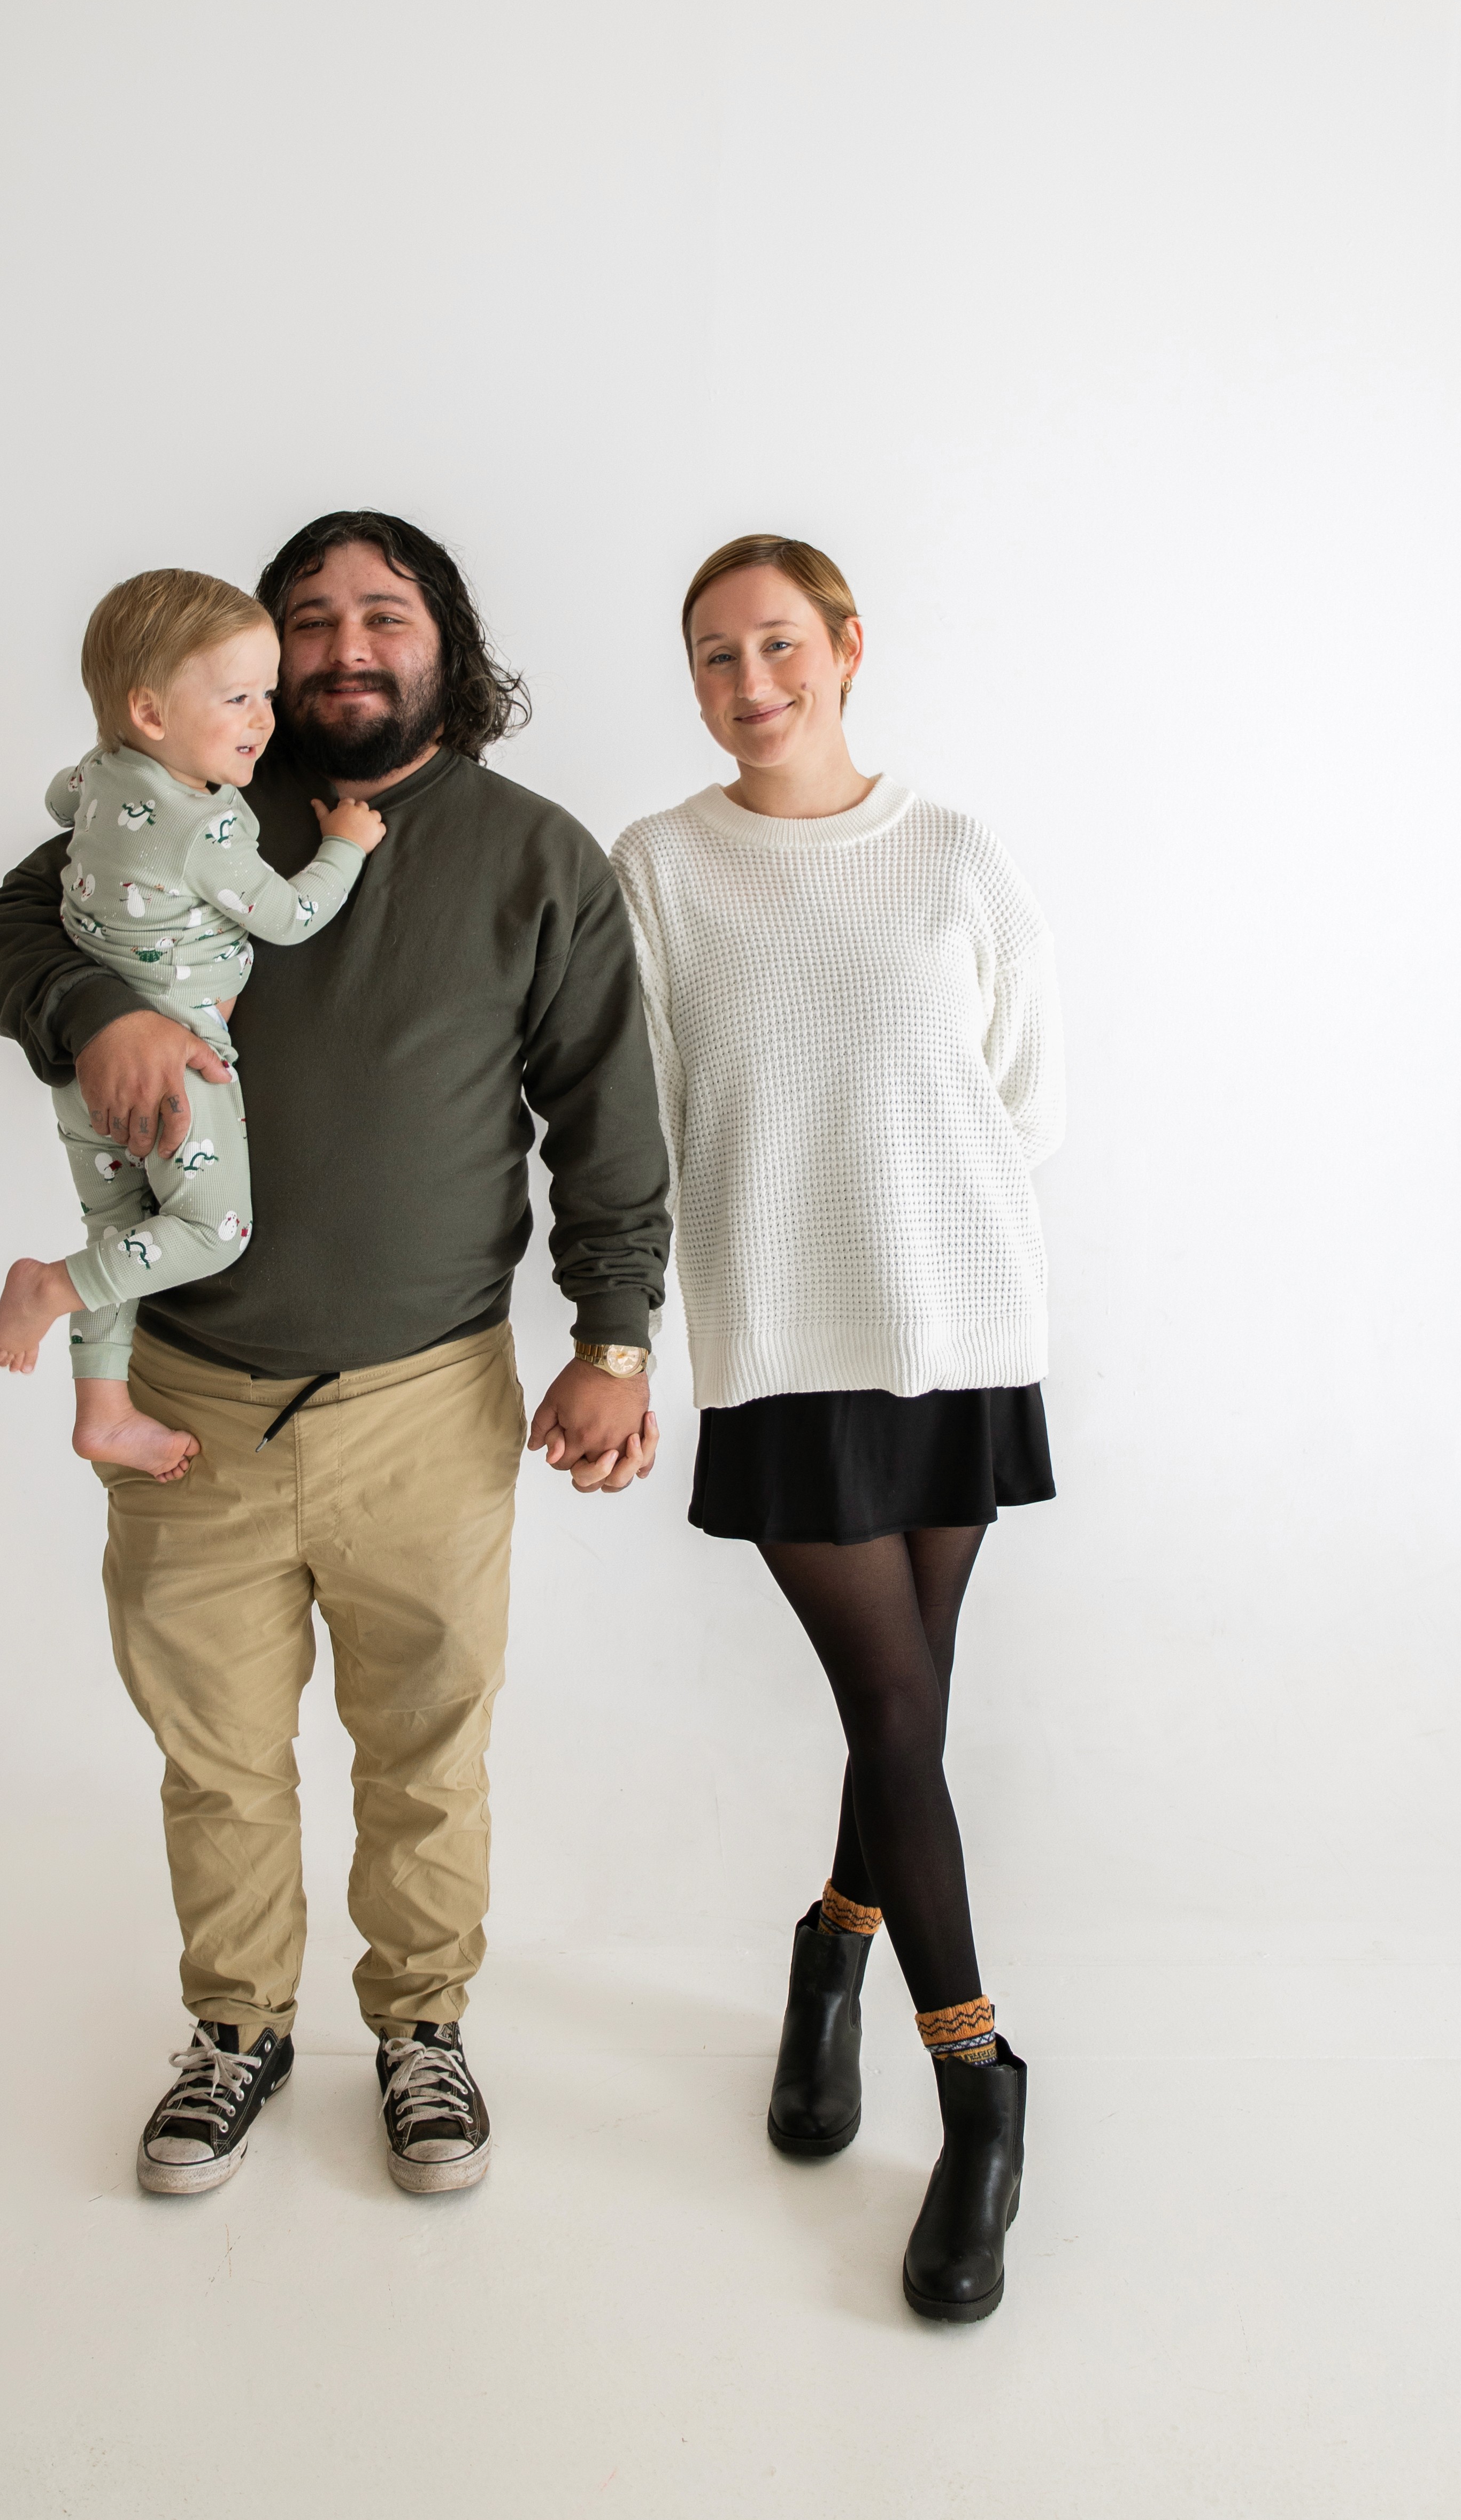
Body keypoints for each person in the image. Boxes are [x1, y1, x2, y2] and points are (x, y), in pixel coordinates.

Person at [0, 512, 668, 2200]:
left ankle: (423, 2026)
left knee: (428, 1750)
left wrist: (618, 1337)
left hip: (429, 1399)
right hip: (192, 1397)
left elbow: (604, 1112)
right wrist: (98, 1009)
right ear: (257, 658)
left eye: (384, 613)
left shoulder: (534, 855)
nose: (346, 646)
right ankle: (237, 2026)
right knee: (216, 1755)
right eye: (310, 618)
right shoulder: (187, 794)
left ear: (446, 643)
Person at [610, 534, 1065, 2324]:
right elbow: (637, 1117)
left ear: (847, 646)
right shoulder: (663, 866)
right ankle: (982, 2091)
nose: (751, 680)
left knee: (907, 1710)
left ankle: (830, 1955)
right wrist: (626, 1334)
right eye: (716, 655)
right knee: (892, 1705)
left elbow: (1025, 1092)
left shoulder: (953, 851)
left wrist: (931, 1223)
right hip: (784, 1338)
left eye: (780, 642)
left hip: (956, 1326)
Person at [0, 567, 385, 1480]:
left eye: (268, 695)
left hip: (84, 1076)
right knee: (212, 1231)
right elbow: (289, 917)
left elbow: (58, 801)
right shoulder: (206, 828)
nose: (264, 720)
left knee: (119, 1234)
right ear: (151, 712)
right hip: (177, 1073)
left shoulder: (98, 775)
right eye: (239, 698)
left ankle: (103, 1413)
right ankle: (46, 1288)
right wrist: (345, 845)